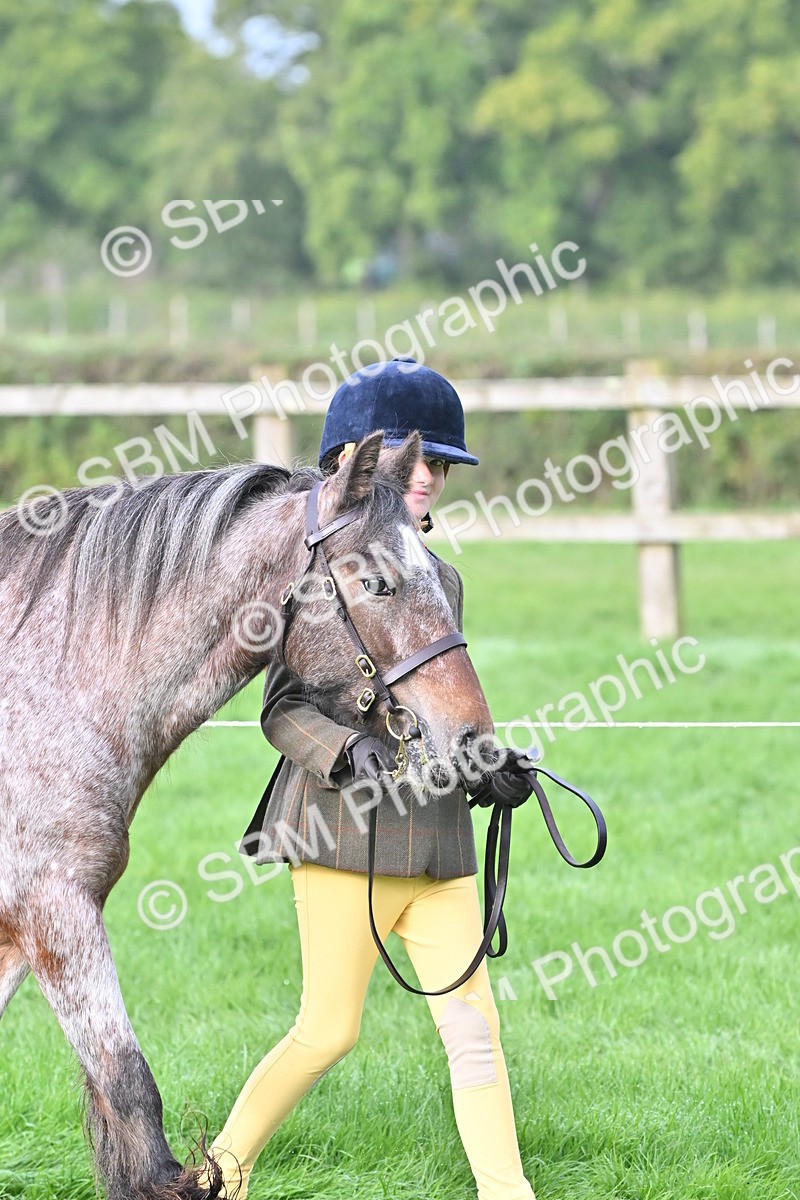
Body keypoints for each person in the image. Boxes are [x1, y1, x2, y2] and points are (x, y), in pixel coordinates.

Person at [202, 358, 537, 1200]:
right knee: (327, 1032)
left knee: (475, 1034)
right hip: (342, 837)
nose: (428, 478)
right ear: (353, 469)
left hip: (437, 845)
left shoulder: (441, 579)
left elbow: (438, 706)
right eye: (411, 464)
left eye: (439, 467)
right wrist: (343, 751)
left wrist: (489, 765)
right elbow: (280, 710)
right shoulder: (317, 577)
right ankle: (219, 1177)